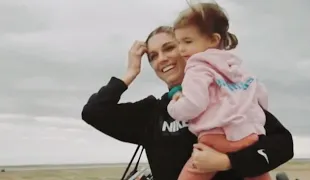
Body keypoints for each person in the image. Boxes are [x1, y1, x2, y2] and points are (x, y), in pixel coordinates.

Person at [81, 26, 294, 180]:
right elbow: (94, 112)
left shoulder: (229, 93)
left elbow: (283, 145)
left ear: (186, 50)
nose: (162, 58)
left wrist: (228, 162)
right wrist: (130, 72)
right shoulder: (152, 113)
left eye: (169, 48)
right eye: (153, 56)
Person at [166, 2, 270, 180]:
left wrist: (174, 105)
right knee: (257, 173)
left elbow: (194, 104)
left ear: (213, 40)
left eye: (187, 41)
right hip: (249, 136)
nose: (181, 49)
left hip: (215, 139)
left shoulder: (197, 66)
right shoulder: (238, 67)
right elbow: (261, 97)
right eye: (178, 42)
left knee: (193, 172)